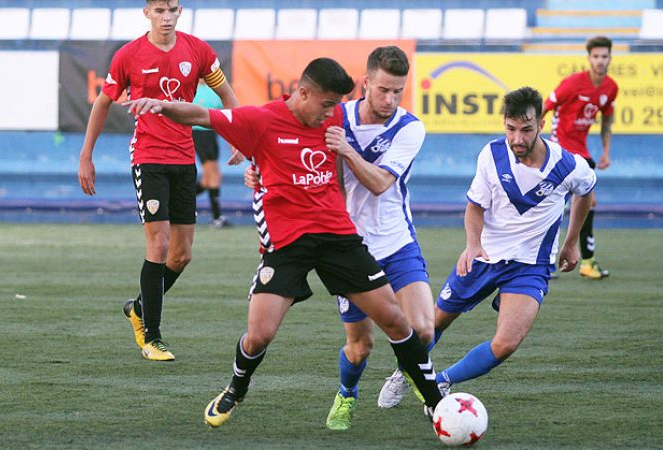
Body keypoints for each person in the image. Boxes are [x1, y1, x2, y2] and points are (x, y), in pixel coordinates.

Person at [124, 57, 444, 428]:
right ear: (304, 93)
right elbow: (201, 116)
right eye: (326, 105)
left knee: (395, 320)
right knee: (259, 335)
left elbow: (343, 168)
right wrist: (161, 106)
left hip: (338, 237)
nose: (331, 114)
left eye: (335, 106)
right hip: (287, 243)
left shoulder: (335, 118)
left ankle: (437, 404)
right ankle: (235, 389)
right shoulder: (262, 120)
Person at [243, 46, 435, 431]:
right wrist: (260, 173)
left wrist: (346, 149)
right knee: (361, 346)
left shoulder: (410, 128)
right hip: (346, 247)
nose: (390, 99)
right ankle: (347, 394)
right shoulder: (333, 114)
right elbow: (288, 145)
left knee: (423, 329)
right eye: (383, 90)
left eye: (398, 91)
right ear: (365, 83)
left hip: (396, 242)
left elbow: (381, 183)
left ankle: (410, 375)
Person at [386, 86, 596, 401]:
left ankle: (440, 381)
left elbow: (587, 190)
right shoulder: (492, 155)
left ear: (540, 124)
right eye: (511, 129)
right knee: (432, 325)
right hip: (484, 256)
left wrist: (571, 242)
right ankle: (403, 373)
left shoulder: (567, 165)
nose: (518, 139)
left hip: (529, 266)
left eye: (526, 130)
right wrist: (472, 245)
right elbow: (474, 207)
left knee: (506, 343)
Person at [77, 0, 239, 361]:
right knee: (160, 244)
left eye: (174, 10)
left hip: (184, 159)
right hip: (148, 158)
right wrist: (86, 155)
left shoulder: (197, 50)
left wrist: (239, 137)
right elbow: (103, 103)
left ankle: (138, 308)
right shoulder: (128, 55)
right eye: (160, 10)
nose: (167, 17)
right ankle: (152, 337)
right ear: (147, 12)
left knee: (182, 255)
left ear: (180, 12)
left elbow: (227, 96)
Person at [541, 35, 619, 280]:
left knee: (587, 202)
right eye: (595, 56)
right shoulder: (572, 83)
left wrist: (606, 151)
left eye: (604, 56)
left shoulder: (610, 88)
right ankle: (547, 262)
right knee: (555, 203)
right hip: (560, 148)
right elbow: (544, 107)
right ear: (589, 58)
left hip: (582, 151)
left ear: (609, 58)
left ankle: (585, 261)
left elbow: (606, 119)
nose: (600, 61)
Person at [192, 80, 230, 228]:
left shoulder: (215, 89)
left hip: (211, 133)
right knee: (212, 173)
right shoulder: (193, 88)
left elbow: (225, 111)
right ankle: (216, 216)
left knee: (209, 179)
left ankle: (178, 202)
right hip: (200, 133)